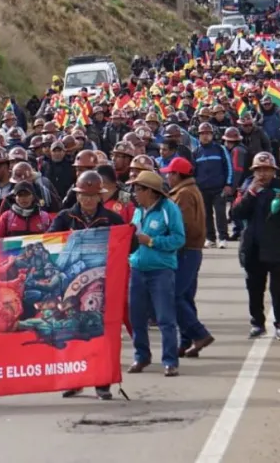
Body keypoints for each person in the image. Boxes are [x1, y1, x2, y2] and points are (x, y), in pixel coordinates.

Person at [49, 170, 125, 400]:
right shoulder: (65, 218)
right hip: (71, 288)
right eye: (84, 195)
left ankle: (102, 383)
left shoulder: (113, 220)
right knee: (72, 334)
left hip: (103, 286)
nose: (88, 200)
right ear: (77, 195)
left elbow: (128, 246)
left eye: (92, 195)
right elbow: (50, 242)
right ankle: (75, 381)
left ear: (101, 196)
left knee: (102, 336)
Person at [231, 152, 280, 340]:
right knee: (254, 288)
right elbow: (236, 213)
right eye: (259, 170)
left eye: (267, 170)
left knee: (278, 289)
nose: (263, 174)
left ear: (274, 171)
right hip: (252, 247)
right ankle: (257, 323)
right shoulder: (246, 188)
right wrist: (251, 194)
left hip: (277, 247)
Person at [127, 170, 186, 377]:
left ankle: (170, 360)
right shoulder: (138, 211)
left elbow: (179, 239)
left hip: (160, 271)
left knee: (165, 318)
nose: (134, 193)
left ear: (150, 191)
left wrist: (151, 241)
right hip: (137, 270)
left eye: (138, 189)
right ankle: (141, 356)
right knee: (136, 317)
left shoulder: (169, 209)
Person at [161, 157, 214, 358]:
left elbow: (183, 225)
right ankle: (185, 341)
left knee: (173, 295)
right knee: (184, 296)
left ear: (177, 175)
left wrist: (168, 240)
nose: (167, 177)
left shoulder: (183, 194)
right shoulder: (189, 190)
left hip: (185, 250)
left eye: (170, 173)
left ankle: (200, 334)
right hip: (191, 250)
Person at [193, 122, 233, 248]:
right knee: (206, 214)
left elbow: (228, 167)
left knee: (220, 213)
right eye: (203, 134)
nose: (205, 136)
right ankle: (210, 238)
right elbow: (193, 172)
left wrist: (228, 184)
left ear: (212, 135)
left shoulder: (220, 149)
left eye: (208, 133)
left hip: (219, 188)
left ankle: (223, 238)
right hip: (202, 189)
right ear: (199, 135)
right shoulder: (196, 152)